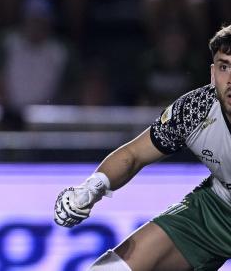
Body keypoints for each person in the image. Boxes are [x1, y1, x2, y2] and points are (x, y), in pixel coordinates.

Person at [54, 24, 231, 270]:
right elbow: (134, 154)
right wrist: (91, 188)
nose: (230, 79)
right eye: (224, 67)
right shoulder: (196, 110)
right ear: (213, 74)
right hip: (217, 209)